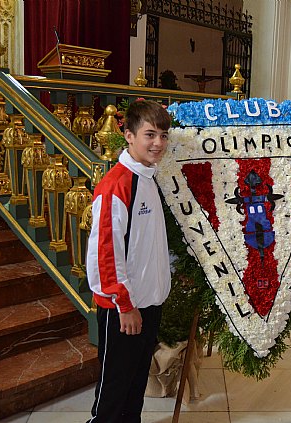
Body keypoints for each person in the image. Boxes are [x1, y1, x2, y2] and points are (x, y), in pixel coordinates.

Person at [86, 99, 172, 423]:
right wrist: (124, 305)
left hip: (148, 304)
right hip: (123, 309)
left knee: (134, 390)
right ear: (129, 136)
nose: (158, 143)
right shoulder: (117, 185)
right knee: (112, 395)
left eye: (163, 135)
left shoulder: (149, 177)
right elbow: (105, 254)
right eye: (150, 134)